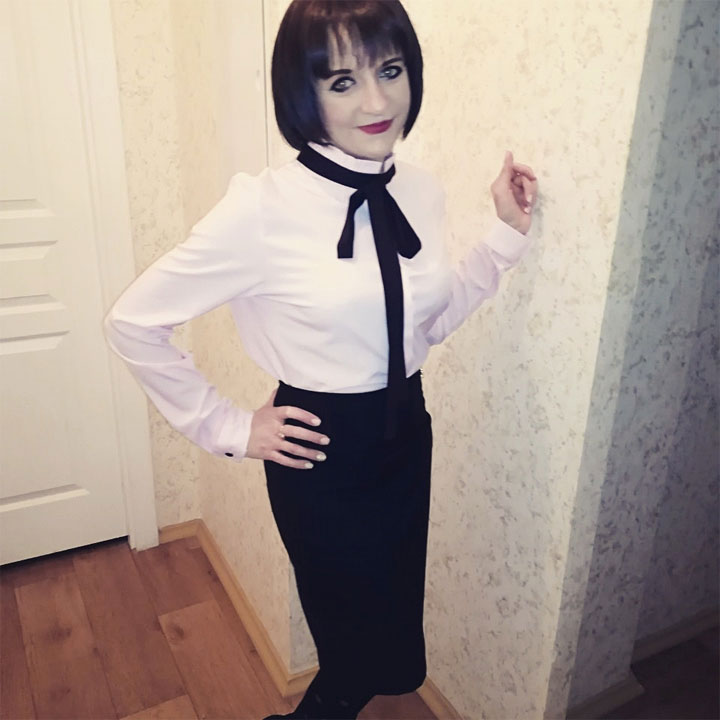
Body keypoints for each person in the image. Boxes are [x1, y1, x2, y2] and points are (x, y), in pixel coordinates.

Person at [104, 1, 538, 718]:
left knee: (387, 629)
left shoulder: (420, 189)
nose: (377, 102)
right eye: (342, 82)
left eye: (390, 71)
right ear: (302, 93)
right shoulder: (262, 208)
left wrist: (506, 238)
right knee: (348, 638)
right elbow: (133, 322)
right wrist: (228, 428)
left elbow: (424, 325)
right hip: (320, 449)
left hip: (407, 432)